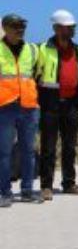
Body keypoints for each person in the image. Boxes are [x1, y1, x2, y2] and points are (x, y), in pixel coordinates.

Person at [37, 9, 78, 201]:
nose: (72, 30)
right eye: (68, 27)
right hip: (50, 104)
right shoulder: (42, 49)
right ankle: (46, 186)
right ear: (56, 28)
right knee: (48, 147)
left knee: (70, 146)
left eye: (72, 27)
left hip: (71, 104)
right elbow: (35, 75)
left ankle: (69, 183)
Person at [0, 14, 40, 206]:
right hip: (4, 107)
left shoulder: (32, 50)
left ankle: (27, 191)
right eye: (15, 26)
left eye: (22, 26)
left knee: (28, 151)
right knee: (4, 152)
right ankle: (5, 193)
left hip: (29, 107)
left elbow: (37, 74)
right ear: (5, 28)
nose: (20, 29)